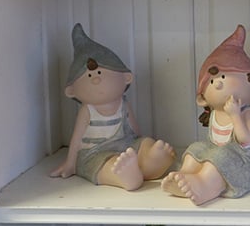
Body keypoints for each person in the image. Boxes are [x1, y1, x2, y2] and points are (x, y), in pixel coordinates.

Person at [50, 24, 175, 190]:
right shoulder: (87, 111)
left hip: (126, 144)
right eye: (89, 76)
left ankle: (151, 163)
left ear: (126, 78)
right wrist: (70, 163)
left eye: (100, 73)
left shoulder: (123, 103)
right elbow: (76, 140)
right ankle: (124, 176)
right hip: (95, 153)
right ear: (72, 91)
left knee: (145, 143)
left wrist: (143, 146)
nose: (96, 80)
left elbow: (135, 131)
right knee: (104, 166)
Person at [161, 25, 250, 205]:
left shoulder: (246, 113)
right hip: (218, 154)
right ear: (203, 99)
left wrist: (235, 115)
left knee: (221, 157)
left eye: (223, 78)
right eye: (212, 81)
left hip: (245, 164)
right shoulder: (215, 113)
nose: (218, 84)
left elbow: (245, 140)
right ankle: (185, 176)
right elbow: (212, 145)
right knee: (196, 149)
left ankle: (204, 186)